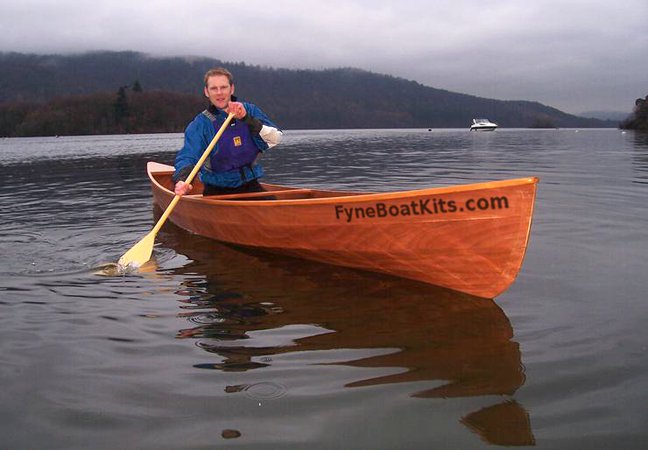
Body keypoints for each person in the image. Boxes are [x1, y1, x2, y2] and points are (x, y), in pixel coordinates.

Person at [173, 67, 282, 196]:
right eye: (214, 88)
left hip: (250, 186)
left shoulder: (250, 111)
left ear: (232, 89)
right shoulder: (200, 124)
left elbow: (275, 138)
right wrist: (182, 180)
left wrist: (246, 118)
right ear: (206, 92)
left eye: (223, 87)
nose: (219, 93)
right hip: (216, 190)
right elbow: (188, 156)